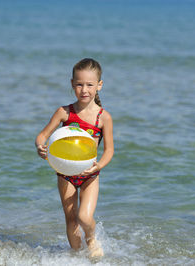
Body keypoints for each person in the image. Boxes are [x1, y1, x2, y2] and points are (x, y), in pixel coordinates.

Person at [35, 58, 114, 258]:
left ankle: (91, 240)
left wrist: (97, 168)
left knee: (84, 217)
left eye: (89, 85)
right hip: (65, 174)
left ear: (99, 86)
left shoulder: (103, 118)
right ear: (72, 84)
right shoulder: (64, 112)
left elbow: (109, 151)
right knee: (71, 221)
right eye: (79, 84)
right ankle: (76, 258)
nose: (84, 89)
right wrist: (40, 147)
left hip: (90, 175)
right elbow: (42, 136)